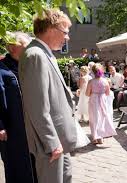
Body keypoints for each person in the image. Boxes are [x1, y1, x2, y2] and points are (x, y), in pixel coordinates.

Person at [19, 8, 77, 183]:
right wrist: (52, 143)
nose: (67, 37)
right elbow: (37, 106)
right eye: (65, 32)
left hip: (58, 140)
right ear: (52, 29)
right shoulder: (35, 55)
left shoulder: (43, 53)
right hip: (51, 145)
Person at [0, 32, 37, 183]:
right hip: (12, 128)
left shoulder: (27, 66)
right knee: (16, 166)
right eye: (26, 46)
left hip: (30, 127)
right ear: (13, 47)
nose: (29, 49)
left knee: (33, 165)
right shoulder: (2, 69)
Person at [86, 63, 117, 145]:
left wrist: (94, 93)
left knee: (93, 118)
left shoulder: (91, 82)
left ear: (93, 72)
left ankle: (95, 137)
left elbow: (87, 94)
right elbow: (107, 93)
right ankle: (101, 137)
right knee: (102, 118)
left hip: (93, 100)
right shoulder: (105, 81)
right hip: (102, 100)